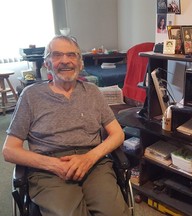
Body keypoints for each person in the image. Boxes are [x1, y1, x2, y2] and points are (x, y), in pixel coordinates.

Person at [2, 35, 129, 216]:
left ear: (80, 62)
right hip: (48, 169)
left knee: (114, 212)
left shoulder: (93, 92)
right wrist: (54, 165)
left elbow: (117, 134)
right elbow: (9, 150)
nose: (65, 61)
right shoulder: (31, 96)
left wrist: (89, 158)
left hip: (94, 163)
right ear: (47, 63)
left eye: (71, 55)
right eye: (57, 55)